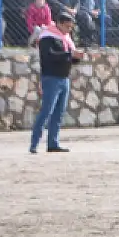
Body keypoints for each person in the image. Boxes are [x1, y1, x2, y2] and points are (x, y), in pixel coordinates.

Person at [29, 12, 82, 153]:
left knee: (58, 113)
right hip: (51, 78)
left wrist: (76, 57)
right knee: (46, 111)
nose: (69, 29)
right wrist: (69, 55)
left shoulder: (66, 38)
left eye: (71, 27)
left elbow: (70, 58)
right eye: (67, 26)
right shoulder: (47, 37)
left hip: (64, 78)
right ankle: (34, 144)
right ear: (59, 23)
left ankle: (53, 143)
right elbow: (49, 56)